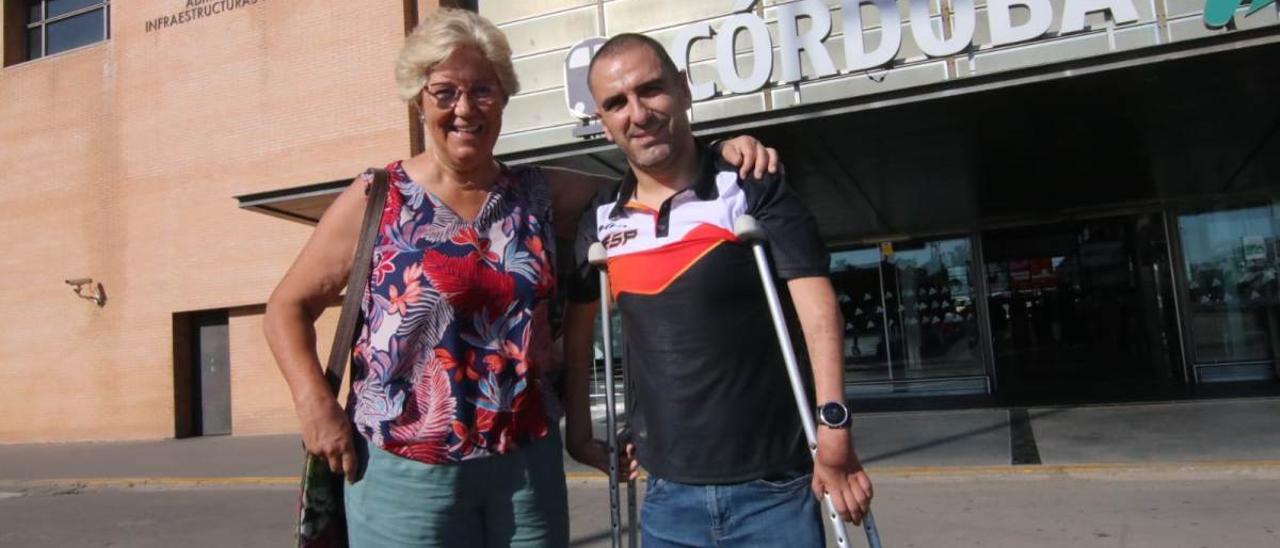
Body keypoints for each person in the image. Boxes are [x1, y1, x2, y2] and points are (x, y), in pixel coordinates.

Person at [263, 9, 777, 547]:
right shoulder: (378, 198)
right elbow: (286, 307)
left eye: (482, 90)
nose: (464, 109)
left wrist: (721, 154)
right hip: (405, 475)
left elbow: (650, 176)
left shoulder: (537, 194)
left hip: (525, 472)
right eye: (444, 92)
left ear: (504, 98)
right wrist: (313, 403)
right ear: (419, 99)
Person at [563, 33, 874, 547]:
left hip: (774, 490)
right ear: (603, 122)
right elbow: (576, 344)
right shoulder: (600, 221)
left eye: (651, 90)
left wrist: (834, 427)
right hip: (665, 498)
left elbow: (816, 306)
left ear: (683, 91)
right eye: (617, 103)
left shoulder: (750, 184)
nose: (637, 114)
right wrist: (577, 434)